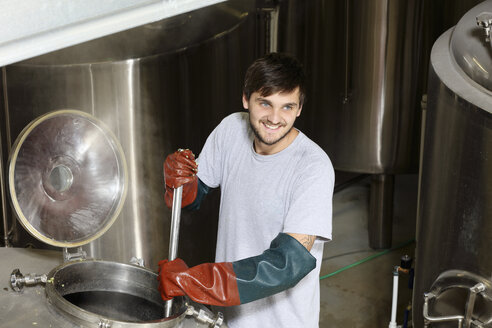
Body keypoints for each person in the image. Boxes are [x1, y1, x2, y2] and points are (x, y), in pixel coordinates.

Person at [158, 52, 334, 328]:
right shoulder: (231, 130)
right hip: (228, 317)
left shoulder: (313, 167)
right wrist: (179, 182)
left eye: (287, 107)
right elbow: (194, 195)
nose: (275, 118)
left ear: (299, 108)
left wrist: (197, 282)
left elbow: (287, 265)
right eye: (265, 103)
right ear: (246, 99)